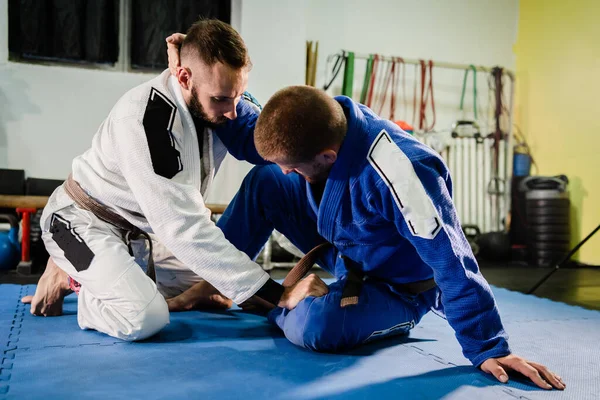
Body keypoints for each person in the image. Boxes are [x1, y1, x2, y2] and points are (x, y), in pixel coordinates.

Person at [210, 85, 566, 391]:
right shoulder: (322, 124)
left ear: (327, 156)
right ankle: (218, 284)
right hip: (353, 248)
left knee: (318, 328)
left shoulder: (403, 173)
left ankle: (274, 302)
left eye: (295, 166)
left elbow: (451, 258)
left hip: (397, 286)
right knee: (266, 180)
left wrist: (488, 345)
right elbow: (252, 130)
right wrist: (205, 88)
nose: (288, 171)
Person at [21, 18, 328, 341]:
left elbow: (267, 142)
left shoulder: (218, 101)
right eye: (222, 99)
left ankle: (114, 274)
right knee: (145, 316)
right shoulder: (148, 122)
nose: (233, 110)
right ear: (183, 77)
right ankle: (75, 277)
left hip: (144, 235)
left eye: (238, 95)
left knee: (218, 276)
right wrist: (278, 295)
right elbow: (183, 230)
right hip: (80, 223)